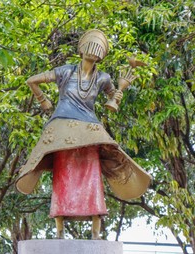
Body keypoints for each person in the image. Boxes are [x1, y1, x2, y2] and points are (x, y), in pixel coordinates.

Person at [16, 29, 151, 239]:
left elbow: (111, 103)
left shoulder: (103, 78)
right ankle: (59, 228)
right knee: (64, 177)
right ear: (81, 49)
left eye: (98, 49)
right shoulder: (65, 71)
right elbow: (31, 80)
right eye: (90, 47)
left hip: (89, 133)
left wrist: (121, 89)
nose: (93, 52)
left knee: (92, 176)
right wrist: (43, 100)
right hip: (63, 133)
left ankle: (96, 229)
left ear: (102, 55)